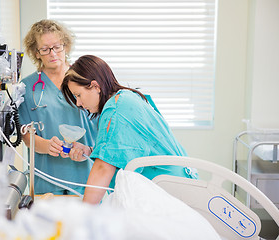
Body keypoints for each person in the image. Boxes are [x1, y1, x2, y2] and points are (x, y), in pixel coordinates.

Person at [61, 55, 197, 204]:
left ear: (95, 86)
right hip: (180, 183)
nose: (78, 103)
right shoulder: (127, 98)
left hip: (170, 191)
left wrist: (84, 215)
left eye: (78, 95)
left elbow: (103, 168)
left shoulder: (116, 110)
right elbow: (130, 149)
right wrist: (90, 151)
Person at [18, 20, 97, 195]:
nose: (52, 53)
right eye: (45, 49)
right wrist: (47, 146)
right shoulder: (28, 87)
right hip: (47, 180)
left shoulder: (86, 80)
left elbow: (104, 127)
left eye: (57, 47)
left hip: (86, 176)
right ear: (36, 53)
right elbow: (26, 136)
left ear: (66, 46)